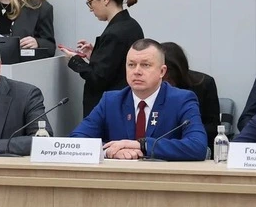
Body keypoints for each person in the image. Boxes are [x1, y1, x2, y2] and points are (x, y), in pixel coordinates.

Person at [70, 39, 207, 161]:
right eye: (131, 65)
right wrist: (109, 151)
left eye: (145, 65)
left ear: (162, 71)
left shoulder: (181, 100)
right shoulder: (110, 101)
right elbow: (76, 141)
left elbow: (198, 146)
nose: (137, 71)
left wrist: (142, 145)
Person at [61, 0, 144, 116]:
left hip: (108, 110)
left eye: (90, 2)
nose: (90, 9)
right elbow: (115, 64)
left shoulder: (115, 32)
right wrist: (95, 55)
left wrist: (75, 60)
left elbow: (98, 78)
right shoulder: (132, 25)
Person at [160, 42, 220, 148]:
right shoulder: (150, 86)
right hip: (159, 144)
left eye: (168, 72)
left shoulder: (204, 83)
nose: (164, 76)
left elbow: (212, 126)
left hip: (194, 143)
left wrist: (190, 135)